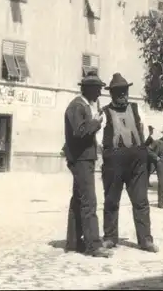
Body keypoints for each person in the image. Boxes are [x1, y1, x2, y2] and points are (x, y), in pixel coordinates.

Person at [100, 73, 158, 253]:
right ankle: (110, 237)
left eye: (124, 91)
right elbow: (98, 139)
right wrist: (111, 154)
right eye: (118, 92)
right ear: (111, 94)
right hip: (113, 164)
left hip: (137, 165)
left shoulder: (137, 109)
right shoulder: (103, 112)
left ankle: (145, 240)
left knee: (141, 201)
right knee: (111, 201)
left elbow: (146, 133)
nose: (122, 95)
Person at [62, 69, 112, 258]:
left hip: (84, 158)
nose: (100, 93)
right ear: (89, 90)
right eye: (98, 89)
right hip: (81, 159)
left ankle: (73, 242)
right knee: (89, 201)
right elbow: (79, 132)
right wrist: (96, 123)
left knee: (78, 200)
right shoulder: (77, 106)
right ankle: (93, 245)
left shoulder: (83, 106)